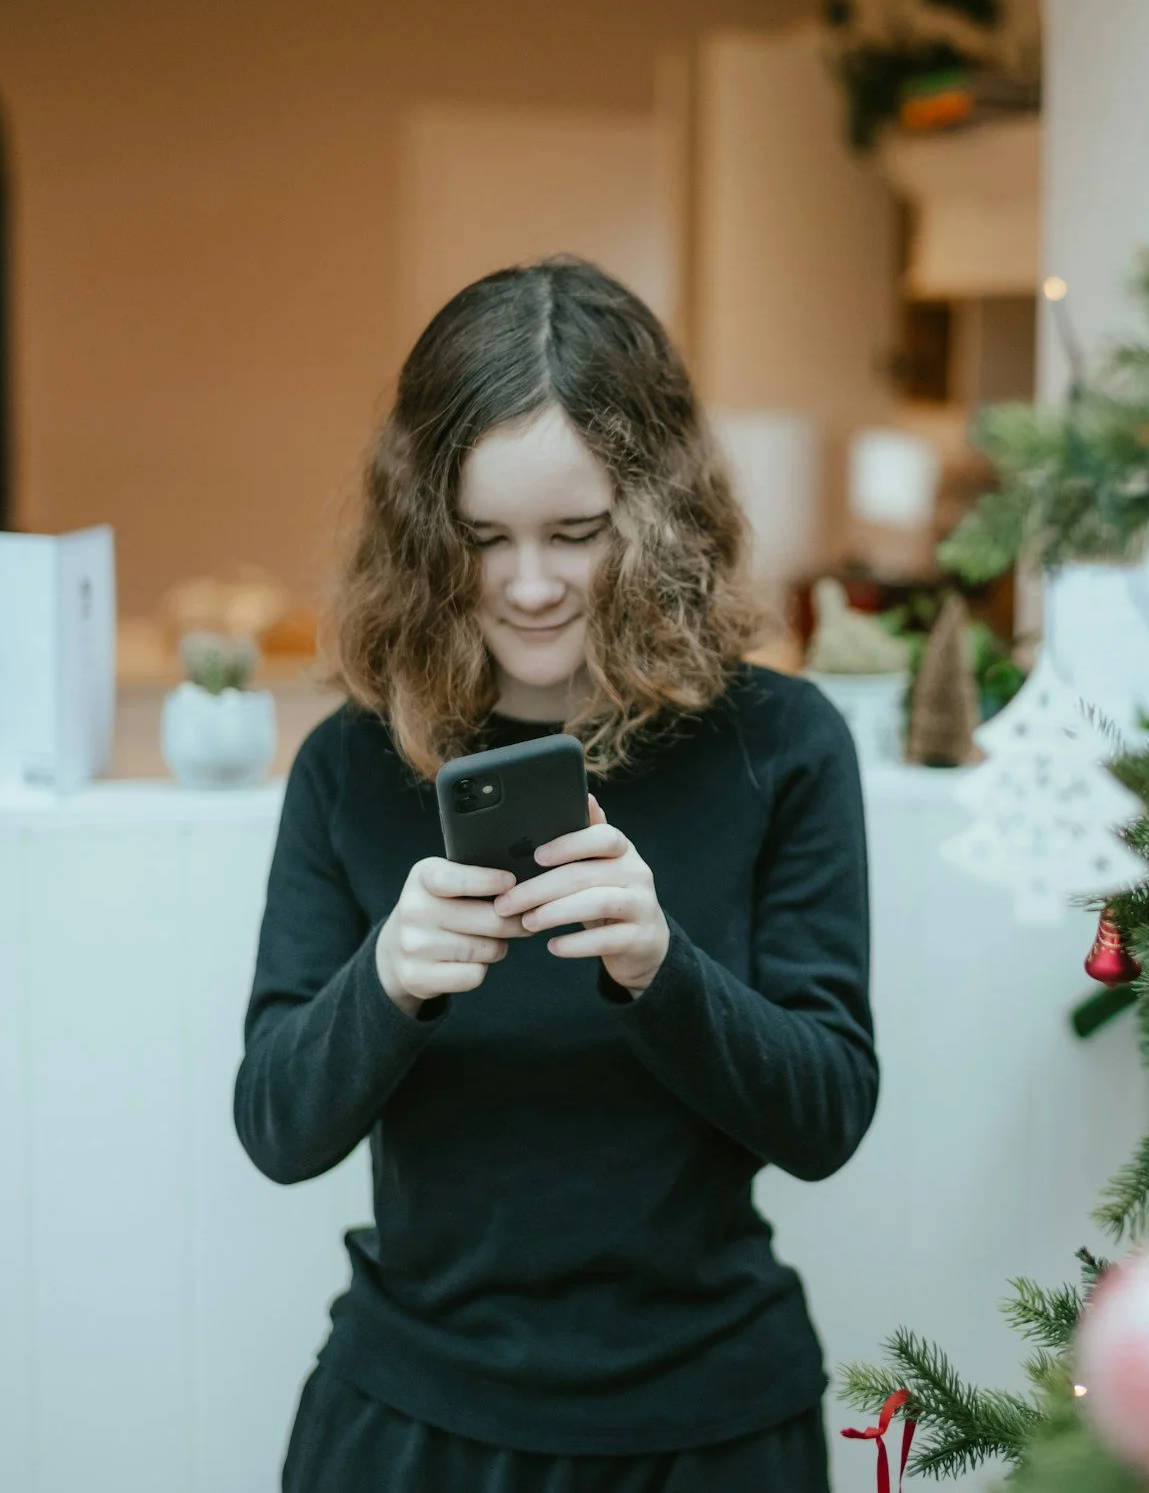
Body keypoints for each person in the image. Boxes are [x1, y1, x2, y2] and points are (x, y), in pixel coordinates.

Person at [233, 257, 876, 1493]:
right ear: (425, 534)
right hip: (418, 1421)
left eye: (575, 535)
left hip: (712, 1423)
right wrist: (386, 984)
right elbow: (276, 1125)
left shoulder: (781, 744)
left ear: (655, 517)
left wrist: (660, 966)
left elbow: (827, 1114)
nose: (529, 585)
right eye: (483, 540)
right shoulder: (348, 768)